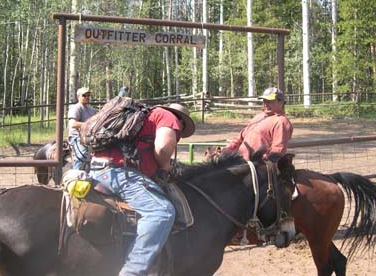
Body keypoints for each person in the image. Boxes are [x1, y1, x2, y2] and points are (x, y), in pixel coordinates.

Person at [66, 103, 195, 276]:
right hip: (120, 172)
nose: (179, 131)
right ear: (181, 121)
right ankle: (132, 272)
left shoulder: (143, 116)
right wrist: (165, 167)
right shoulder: (168, 117)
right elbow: (163, 149)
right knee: (162, 212)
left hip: (99, 168)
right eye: (180, 128)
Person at [224, 87, 293, 163]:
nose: (266, 104)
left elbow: (278, 150)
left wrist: (262, 160)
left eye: (270, 101)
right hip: (241, 160)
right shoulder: (258, 117)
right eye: (264, 101)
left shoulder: (281, 122)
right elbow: (240, 137)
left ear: (281, 103)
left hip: (257, 164)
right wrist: (227, 149)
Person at [67, 87, 97, 170]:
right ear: (78, 97)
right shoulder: (76, 108)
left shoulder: (92, 110)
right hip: (77, 137)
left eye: (88, 95)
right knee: (82, 155)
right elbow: (73, 124)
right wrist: (88, 125)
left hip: (90, 137)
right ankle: (76, 175)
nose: (87, 97)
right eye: (84, 95)